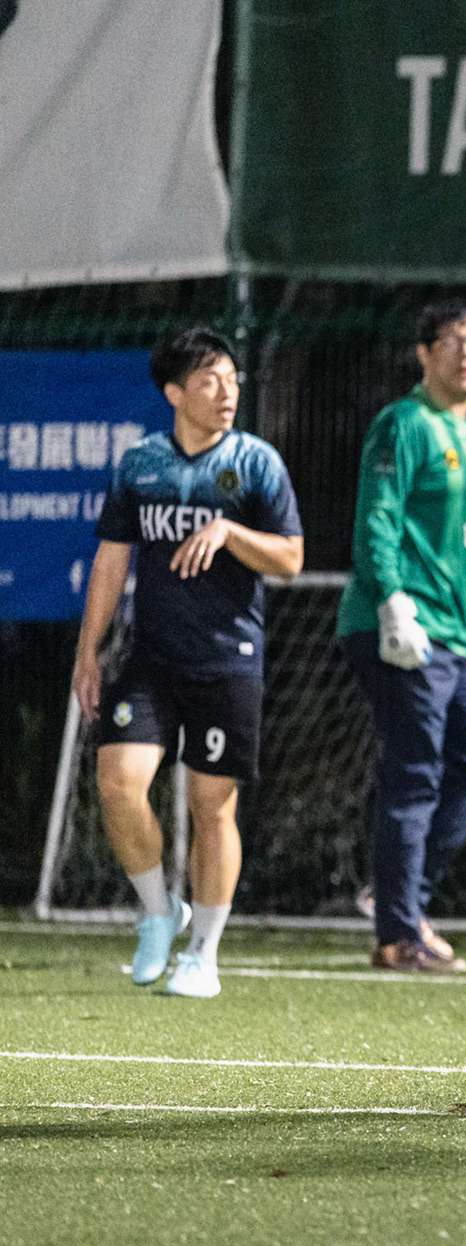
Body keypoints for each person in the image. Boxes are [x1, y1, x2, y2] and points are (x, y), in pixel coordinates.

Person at [72, 327, 304, 997]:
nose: (228, 391)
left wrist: (229, 532)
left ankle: (203, 953)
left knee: (211, 805)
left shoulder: (257, 463)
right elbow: (111, 561)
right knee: (117, 783)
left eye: (233, 379)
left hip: (228, 661)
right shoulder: (140, 464)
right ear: (174, 393)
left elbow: (290, 560)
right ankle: (158, 912)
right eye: (210, 381)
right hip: (151, 659)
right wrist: (87, 652)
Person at [338, 299, 466, 975]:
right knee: (414, 773)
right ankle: (397, 935)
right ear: (423, 353)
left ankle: (400, 895)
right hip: (403, 626)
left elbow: (455, 545)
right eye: (452, 340)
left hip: (454, 629)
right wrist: (391, 600)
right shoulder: (404, 422)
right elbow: (378, 519)